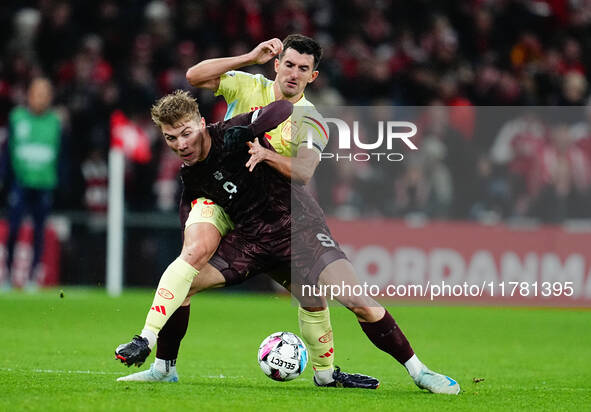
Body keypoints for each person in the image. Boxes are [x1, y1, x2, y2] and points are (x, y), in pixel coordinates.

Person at [115, 91, 460, 395]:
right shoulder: (190, 171)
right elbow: (189, 203)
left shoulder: (229, 133)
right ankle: (163, 369)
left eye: (186, 133)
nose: (180, 144)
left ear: (202, 124)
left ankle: (418, 372)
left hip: (299, 231)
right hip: (251, 242)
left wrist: (250, 129)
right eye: (171, 138)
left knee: (355, 301)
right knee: (185, 283)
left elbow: (281, 108)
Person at [118, 34, 375, 389]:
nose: (294, 73)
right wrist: (248, 56)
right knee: (191, 258)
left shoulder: (308, 118)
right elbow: (194, 76)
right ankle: (158, 357)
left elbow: (301, 172)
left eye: (303, 68)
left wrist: (271, 157)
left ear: (312, 76)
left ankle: (326, 374)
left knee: (309, 291)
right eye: (288, 64)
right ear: (276, 64)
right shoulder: (249, 84)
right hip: (218, 194)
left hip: (266, 211)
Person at [1, 78, 61, 289]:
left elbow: (62, 156)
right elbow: (7, 152)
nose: (41, 98)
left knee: (39, 230)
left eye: (45, 94)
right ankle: (7, 274)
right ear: (29, 95)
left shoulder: (56, 122)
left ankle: (35, 275)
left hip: (44, 183)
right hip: (20, 182)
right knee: (14, 228)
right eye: (37, 93)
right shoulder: (17, 118)